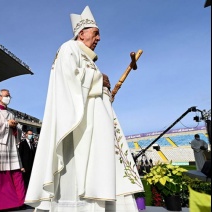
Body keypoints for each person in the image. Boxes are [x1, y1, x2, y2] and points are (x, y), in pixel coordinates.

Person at [24, 6, 143, 211]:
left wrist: (105, 96)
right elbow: (69, 79)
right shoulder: (69, 48)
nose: (98, 39)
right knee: (77, 177)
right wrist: (100, 80)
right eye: (95, 33)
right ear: (81, 33)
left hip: (96, 127)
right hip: (78, 128)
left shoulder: (89, 60)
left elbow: (90, 91)